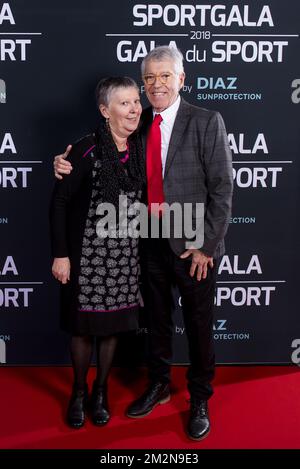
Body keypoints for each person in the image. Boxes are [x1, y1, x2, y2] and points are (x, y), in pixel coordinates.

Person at [53, 46, 233, 441]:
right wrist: (64, 161)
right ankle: (159, 384)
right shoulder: (138, 120)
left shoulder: (206, 121)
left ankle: (200, 397)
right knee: (157, 323)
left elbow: (222, 188)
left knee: (200, 325)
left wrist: (205, 245)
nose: (156, 85)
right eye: (149, 78)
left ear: (181, 79)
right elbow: (102, 144)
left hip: (192, 245)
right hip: (147, 242)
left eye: (165, 76)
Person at [50, 76, 145, 429]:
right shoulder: (85, 150)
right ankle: (78, 392)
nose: (134, 108)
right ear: (105, 111)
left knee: (111, 329)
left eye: (136, 101)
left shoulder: (140, 146)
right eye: (124, 103)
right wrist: (61, 254)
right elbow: (59, 202)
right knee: (82, 330)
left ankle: (100, 392)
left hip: (125, 258)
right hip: (86, 257)